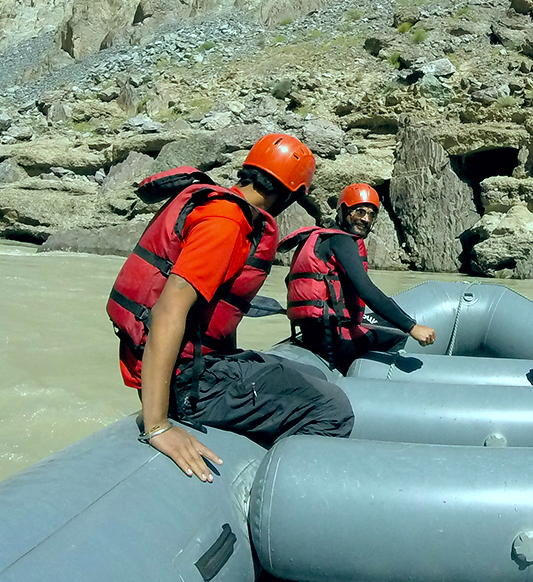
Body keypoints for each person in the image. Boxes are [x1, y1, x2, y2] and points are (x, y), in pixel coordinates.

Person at [106, 133, 355, 481]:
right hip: (190, 384)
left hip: (198, 366)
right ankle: (285, 497)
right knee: (334, 410)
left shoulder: (222, 208)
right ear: (290, 194)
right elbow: (168, 311)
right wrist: (158, 426)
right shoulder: (226, 223)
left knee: (311, 378)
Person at [284, 182, 436, 373]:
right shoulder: (342, 241)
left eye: (372, 214)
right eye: (360, 212)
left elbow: (290, 282)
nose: (366, 219)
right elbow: (366, 290)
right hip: (333, 342)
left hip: (314, 333)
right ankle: (367, 381)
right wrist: (412, 327)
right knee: (398, 335)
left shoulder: (321, 239)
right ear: (343, 211)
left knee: (382, 323)